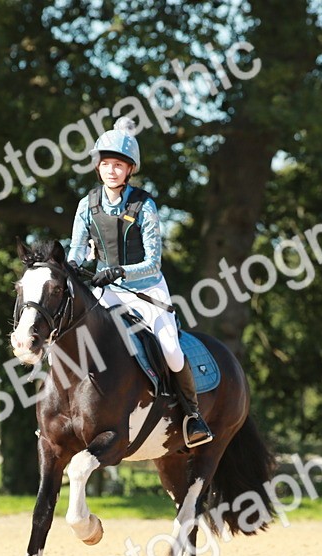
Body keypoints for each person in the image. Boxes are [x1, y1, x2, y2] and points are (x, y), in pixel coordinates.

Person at [67, 117, 213, 448]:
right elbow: (76, 248)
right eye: (106, 164)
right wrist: (73, 267)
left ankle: (192, 416)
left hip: (146, 289)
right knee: (70, 331)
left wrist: (119, 272)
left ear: (130, 169)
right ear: (98, 167)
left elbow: (152, 262)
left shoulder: (144, 205)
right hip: (105, 291)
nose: (111, 171)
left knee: (171, 351)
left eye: (118, 165)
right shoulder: (86, 204)